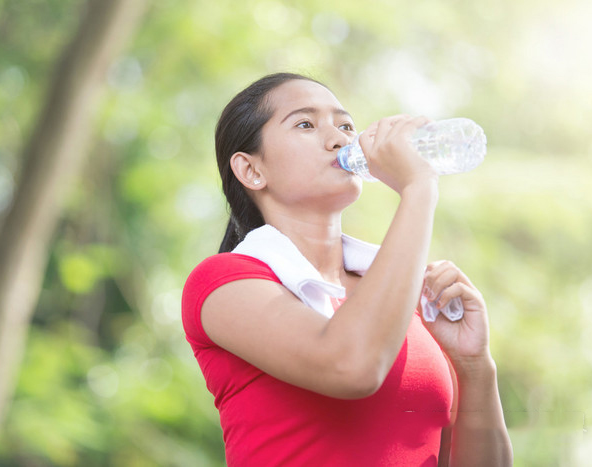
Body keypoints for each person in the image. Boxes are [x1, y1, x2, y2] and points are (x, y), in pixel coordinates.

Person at [182, 72, 512, 466]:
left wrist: (474, 366)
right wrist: (419, 188)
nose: (340, 139)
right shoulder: (223, 284)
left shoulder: (401, 296)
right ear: (252, 170)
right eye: (305, 124)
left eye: (346, 125)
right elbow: (353, 367)